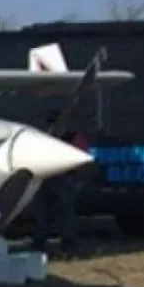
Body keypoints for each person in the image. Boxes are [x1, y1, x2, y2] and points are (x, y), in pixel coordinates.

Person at [32, 109, 88, 257]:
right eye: (49, 124)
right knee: (41, 216)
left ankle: (69, 247)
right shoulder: (43, 139)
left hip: (65, 181)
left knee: (66, 216)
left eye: (54, 123)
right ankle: (39, 247)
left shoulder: (74, 138)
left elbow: (84, 160)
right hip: (46, 180)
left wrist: (79, 180)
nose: (52, 127)